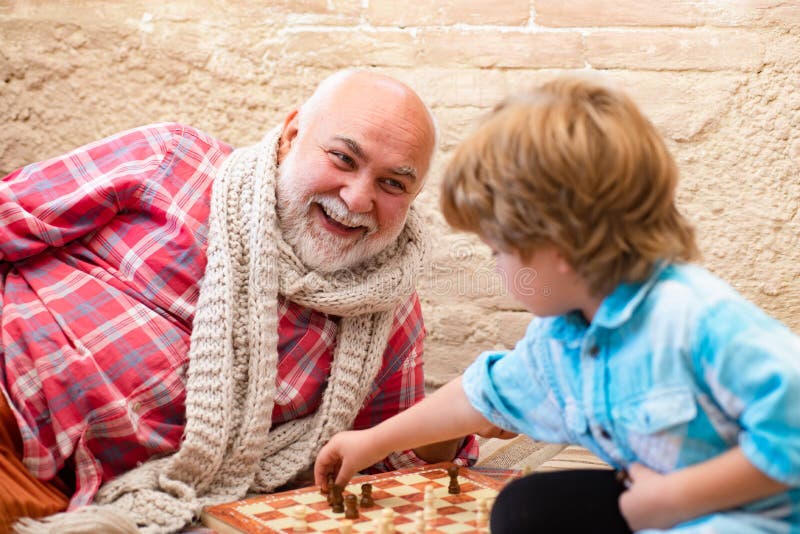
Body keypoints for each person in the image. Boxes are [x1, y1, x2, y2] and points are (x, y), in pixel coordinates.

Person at [314, 76, 800, 533]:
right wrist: (371, 442)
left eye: (498, 251)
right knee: (526, 508)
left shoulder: (694, 318)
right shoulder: (565, 335)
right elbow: (482, 397)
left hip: (753, 516)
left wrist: (661, 501)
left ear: (558, 248)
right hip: (655, 502)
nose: (498, 270)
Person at [0, 69, 479, 533]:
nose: (356, 199)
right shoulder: (172, 159)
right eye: (342, 159)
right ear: (293, 134)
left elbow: (395, 464)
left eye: (392, 184)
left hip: (95, 494)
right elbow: (9, 216)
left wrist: (476, 402)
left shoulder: (390, 317)